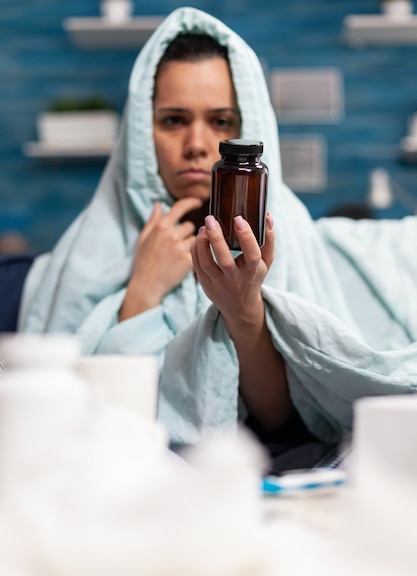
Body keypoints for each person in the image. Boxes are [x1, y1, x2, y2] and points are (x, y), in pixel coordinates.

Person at [19, 7, 417, 471]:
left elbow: (281, 419)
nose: (197, 143)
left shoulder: (283, 227)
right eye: (173, 120)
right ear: (142, 135)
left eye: (221, 121)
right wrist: (143, 290)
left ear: (247, 127)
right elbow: (72, 412)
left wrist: (244, 308)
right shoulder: (92, 244)